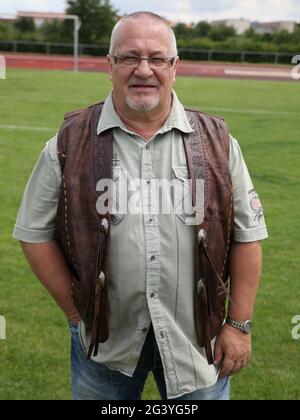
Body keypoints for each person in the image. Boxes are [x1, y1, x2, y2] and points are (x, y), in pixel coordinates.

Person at [13, 11, 268, 400]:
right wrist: (78, 313)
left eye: (157, 58)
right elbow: (33, 234)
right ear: (110, 66)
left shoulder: (218, 143)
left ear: (175, 67)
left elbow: (247, 237)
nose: (143, 70)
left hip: (198, 341)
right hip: (104, 346)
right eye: (129, 57)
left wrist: (238, 324)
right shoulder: (67, 142)